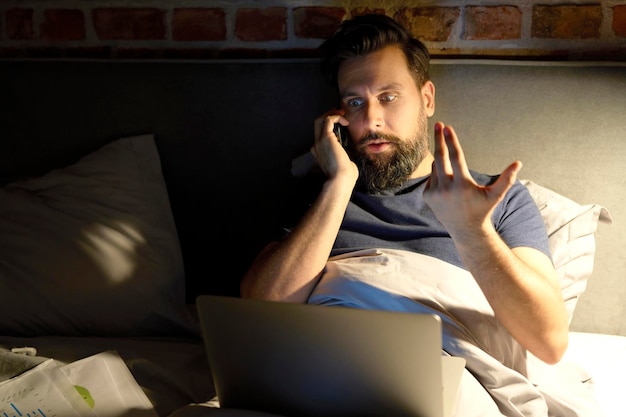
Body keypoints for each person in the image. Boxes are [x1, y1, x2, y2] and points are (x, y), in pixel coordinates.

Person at [240, 14, 574, 417]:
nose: (371, 120)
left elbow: (549, 341)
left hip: (439, 378)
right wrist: (340, 183)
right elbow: (261, 310)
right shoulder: (323, 196)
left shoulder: (497, 200)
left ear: (427, 99)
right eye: (355, 102)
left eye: (389, 96)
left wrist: (472, 232)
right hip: (324, 369)